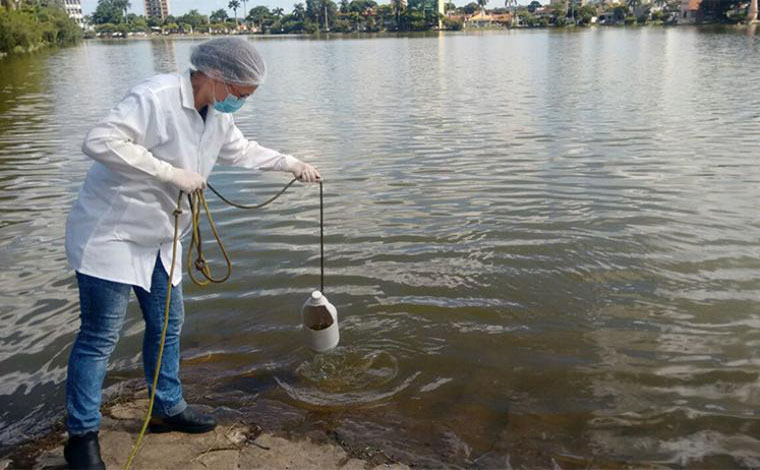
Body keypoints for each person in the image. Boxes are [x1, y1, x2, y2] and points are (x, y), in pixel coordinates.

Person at [63, 37, 321, 470]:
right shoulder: (156, 97)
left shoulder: (216, 114)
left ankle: (167, 407)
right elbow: (100, 141)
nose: (240, 103)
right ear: (217, 78)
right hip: (111, 234)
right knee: (99, 338)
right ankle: (82, 436)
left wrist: (290, 163)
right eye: (240, 95)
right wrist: (170, 172)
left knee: (167, 325)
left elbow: (241, 150)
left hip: (164, 236)